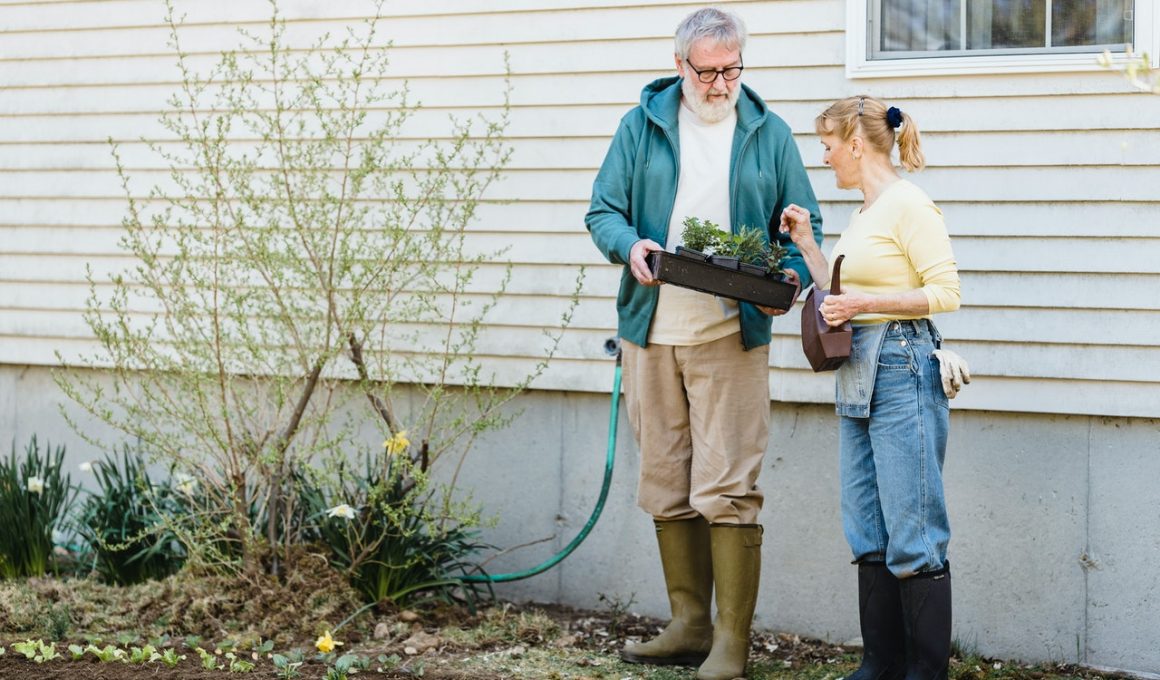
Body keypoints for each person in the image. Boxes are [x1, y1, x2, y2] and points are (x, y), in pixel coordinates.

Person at [585, 7, 823, 680]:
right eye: (709, 71)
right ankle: (688, 624)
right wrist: (630, 245)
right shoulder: (643, 126)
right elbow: (602, 210)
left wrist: (791, 275)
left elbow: (804, 225)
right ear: (680, 66)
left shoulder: (766, 132)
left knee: (728, 484)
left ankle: (730, 643)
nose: (721, 84)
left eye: (732, 69)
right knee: (665, 478)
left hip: (730, 331)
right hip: (652, 331)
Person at [779, 95, 969, 680]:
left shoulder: (909, 205)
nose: (826, 159)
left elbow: (946, 293)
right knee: (867, 526)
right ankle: (880, 666)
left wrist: (867, 302)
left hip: (902, 366)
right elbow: (840, 296)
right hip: (859, 372)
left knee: (913, 529)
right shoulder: (864, 215)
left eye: (829, 147)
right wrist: (811, 245)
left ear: (856, 145)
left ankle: (925, 672)